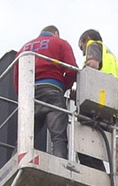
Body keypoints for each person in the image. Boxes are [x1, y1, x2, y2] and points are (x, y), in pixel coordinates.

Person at [20, 25, 78, 158]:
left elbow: (17, 76)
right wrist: (64, 87)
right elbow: (72, 69)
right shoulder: (60, 43)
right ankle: (60, 164)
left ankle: (19, 162)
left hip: (30, 94)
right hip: (53, 90)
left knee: (24, 139)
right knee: (58, 138)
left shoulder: (24, 49)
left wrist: (22, 96)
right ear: (56, 33)